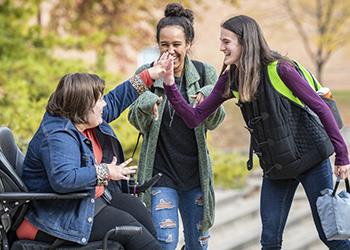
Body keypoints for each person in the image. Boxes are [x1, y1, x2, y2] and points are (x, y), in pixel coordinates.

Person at [162, 15, 350, 250]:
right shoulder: (231, 78)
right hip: (277, 169)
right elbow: (194, 118)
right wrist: (169, 84)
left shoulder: (280, 69)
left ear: (245, 41)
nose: (221, 47)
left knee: (332, 236)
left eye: (226, 41)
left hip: (312, 160)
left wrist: (342, 156)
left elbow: (321, 108)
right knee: (269, 241)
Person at [15, 62, 170, 250]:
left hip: (88, 200)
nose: (104, 103)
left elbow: (115, 100)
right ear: (83, 106)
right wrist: (105, 171)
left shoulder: (85, 120)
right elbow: (64, 179)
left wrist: (149, 75)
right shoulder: (58, 136)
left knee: (140, 215)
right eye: (99, 100)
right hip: (62, 213)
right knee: (136, 235)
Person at [128, 3, 225, 250]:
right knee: (164, 242)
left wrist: (208, 101)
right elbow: (133, 119)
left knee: (198, 245)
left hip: (195, 177)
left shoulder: (205, 74)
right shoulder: (146, 73)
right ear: (157, 45)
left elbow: (215, 122)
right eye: (164, 45)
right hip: (161, 175)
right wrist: (146, 103)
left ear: (189, 44)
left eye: (176, 45)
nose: (170, 51)